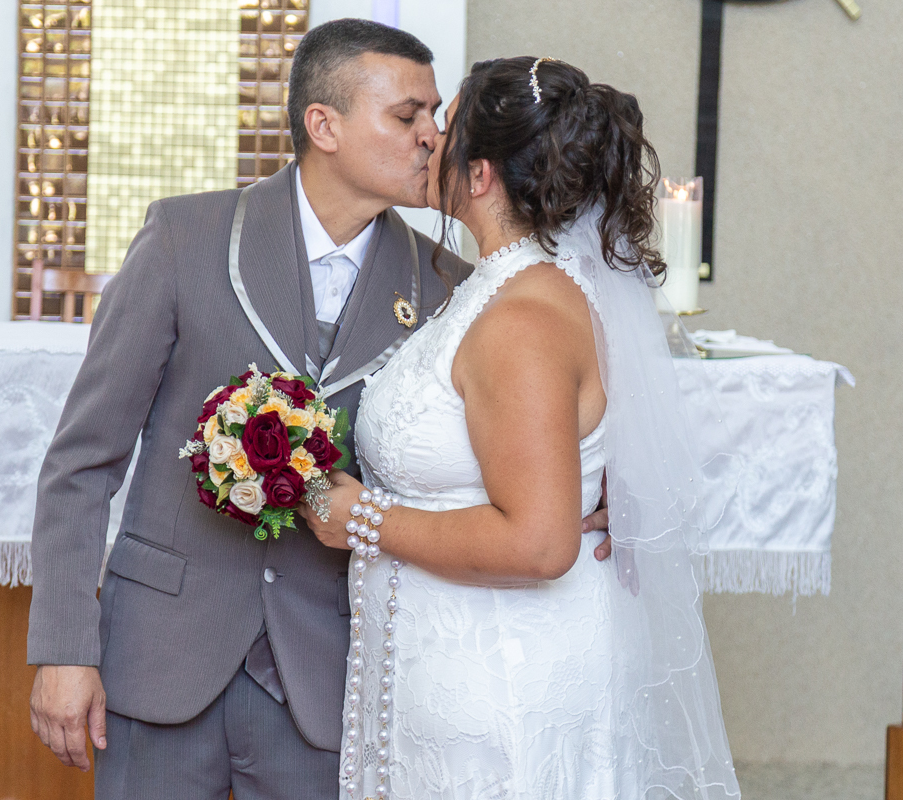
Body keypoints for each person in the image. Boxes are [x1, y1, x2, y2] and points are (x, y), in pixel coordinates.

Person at [27, 21, 610, 799]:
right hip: (160, 656)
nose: (433, 139)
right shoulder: (186, 237)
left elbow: (516, 444)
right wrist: (64, 646)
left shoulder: (456, 287)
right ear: (323, 125)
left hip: (332, 674)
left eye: (437, 116)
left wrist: (603, 502)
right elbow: (82, 460)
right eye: (408, 117)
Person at [301, 57, 740, 800]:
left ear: (479, 177)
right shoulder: (495, 289)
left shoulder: (524, 318)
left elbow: (539, 543)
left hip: (502, 688)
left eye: (443, 128)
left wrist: (361, 519)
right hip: (453, 667)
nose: (426, 141)